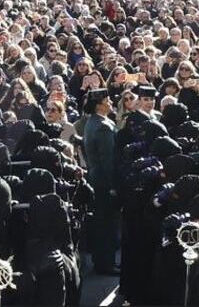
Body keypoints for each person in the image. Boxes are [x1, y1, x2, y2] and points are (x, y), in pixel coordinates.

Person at [82, 88, 119, 275]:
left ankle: (102, 261)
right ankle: (106, 263)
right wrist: (113, 185)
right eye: (107, 100)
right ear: (99, 105)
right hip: (104, 182)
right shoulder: (103, 126)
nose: (110, 102)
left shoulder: (92, 122)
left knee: (102, 222)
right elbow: (108, 159)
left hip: (96, 179)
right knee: (106, 224)